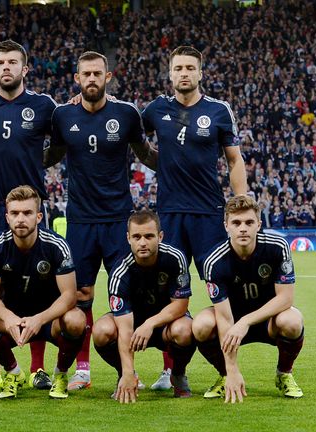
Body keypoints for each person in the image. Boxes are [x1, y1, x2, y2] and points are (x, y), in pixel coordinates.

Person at [140, 45, 248, 390]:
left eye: (190, 68)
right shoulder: (156, 109)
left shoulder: (218, 111)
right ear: (170, 74)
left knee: (221, 293)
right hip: (169, 215)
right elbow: (135, 138)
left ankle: (227, 370)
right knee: (167, 293)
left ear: (201, 73)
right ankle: (171, 370)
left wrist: (241, 200)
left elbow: (234, 160)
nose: (184, 73)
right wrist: (158, 161)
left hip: (209, 214)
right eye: (178, 68)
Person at [46, 51, 145, 391]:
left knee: (126, 293)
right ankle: (83, 371)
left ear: (108, 77)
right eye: (85, 73)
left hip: (119, 219)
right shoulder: (62, 115)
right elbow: (53, 155)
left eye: (97, 73)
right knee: (81, 294)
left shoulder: (127, 113)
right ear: (77, 78)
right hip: (80, 221)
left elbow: (145, 152)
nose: (91, 79)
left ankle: (128, 371)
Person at [0, 40, 57, 391]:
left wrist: (38, 163)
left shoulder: (43, 106)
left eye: (12, 62)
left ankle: (37, 369)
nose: (6, 67)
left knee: (37, 289)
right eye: (0, 61)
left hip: (31, 208)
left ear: (25, 68)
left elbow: (61, 142)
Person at [0, 185, 86, 399]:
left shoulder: (56, 245)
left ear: (39, 217)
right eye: (15, 213)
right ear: (7, 217)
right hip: (12, 321)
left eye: (27, 213)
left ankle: (60, 375)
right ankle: (13, 372)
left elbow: (69, 296)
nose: (21, 219)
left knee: (76, 319)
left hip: (48, 321)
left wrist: (39, 319)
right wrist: (8, 318)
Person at [193, 195, 305, 402]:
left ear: (259, 225)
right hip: (231, 321)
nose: (243, 228)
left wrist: (246, 321)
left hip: (269, 319)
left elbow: (286, 298)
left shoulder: (277, 246)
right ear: (226, 225)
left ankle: (284, 374)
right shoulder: (213, 261)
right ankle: (225, 376)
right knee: (201, 325)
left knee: (292, 320)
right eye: (236, 223)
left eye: (249, 222)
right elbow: (224, 318)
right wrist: (232, 369)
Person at [92, 209, 195, 402]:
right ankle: (124, 375)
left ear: (160, 236)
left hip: (166, 323)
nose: (143, 242)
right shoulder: (120, 272)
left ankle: (178, 375)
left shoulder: (175, 258)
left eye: (149, 236)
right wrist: (128, 371)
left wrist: (149, 324)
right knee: (101, 330)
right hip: (131, 325)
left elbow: (180, 305)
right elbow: (124, 328)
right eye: (137, 237)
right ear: (128, 238)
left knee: (186, 329)